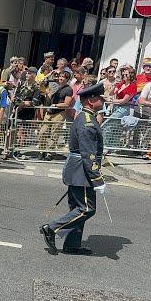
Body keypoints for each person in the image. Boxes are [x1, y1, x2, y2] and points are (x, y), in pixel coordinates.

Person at [40, 82, 106, 255]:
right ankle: (52, 228)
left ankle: (72, 245)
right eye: (100, 98)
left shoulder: (86, 118)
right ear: (91, 101)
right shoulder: (87, 122)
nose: (103, 100)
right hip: (81, 172)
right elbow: (88, 153)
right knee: (86, 209)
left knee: (77, 209)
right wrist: (97, 178)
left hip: (78, 170)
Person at [37, 70, 74, 160]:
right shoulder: (55, 86)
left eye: (63, 77)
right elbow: (41, 82)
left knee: (55, 134)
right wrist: (50, 74)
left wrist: (56, 105)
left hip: (59, 113)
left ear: (67, 79)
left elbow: (67, 104)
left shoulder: (68, 89)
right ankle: (42, 151)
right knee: (42, 132)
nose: (61, 78)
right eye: (60, 76)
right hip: (49, 112)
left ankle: (50, 153)